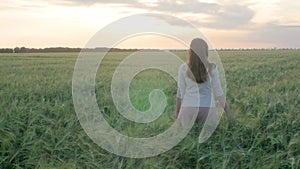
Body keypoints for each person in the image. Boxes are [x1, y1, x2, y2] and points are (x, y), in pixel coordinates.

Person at [176, 38, 232, 126]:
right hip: (208, 110)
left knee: (189, 137)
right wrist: (228, 112)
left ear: (190, 52)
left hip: (188, 109)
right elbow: (218, 93)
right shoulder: (212, 68)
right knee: (211, 138)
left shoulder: (183, 68)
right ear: (206, 52)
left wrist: (178, 115)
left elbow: (180, 94)